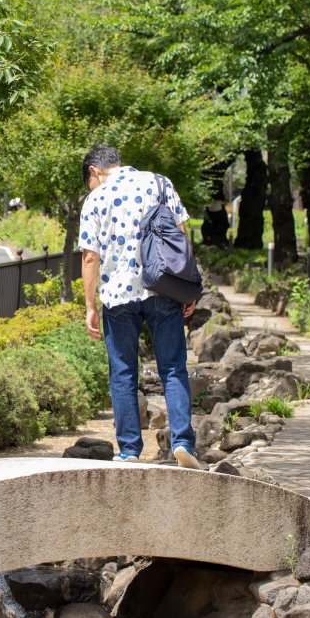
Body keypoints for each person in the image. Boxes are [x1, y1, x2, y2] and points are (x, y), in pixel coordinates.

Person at [78, 144, 201, 467]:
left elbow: (90, 256)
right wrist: (188, 289)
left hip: (118, 297)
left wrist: (90, 306)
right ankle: (183, 442)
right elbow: (181, 238)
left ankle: (130, 450)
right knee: (173, 368)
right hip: (162, 288)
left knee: (123, 373)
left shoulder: (96, 199)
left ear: (94, 170)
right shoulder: (159, 183)